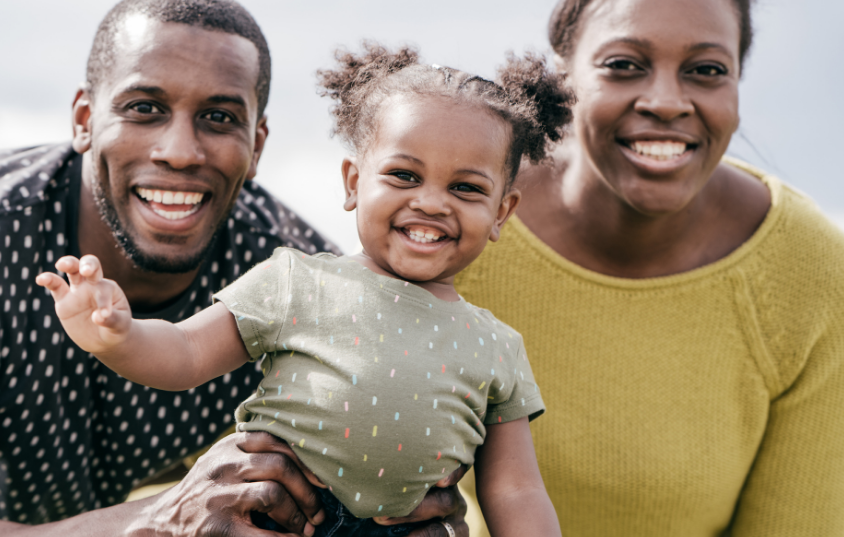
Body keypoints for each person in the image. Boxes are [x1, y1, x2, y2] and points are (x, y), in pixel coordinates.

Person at [0, 0, 467, 537]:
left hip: (77, 507)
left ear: (258, 143)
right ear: (85, 120)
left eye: (219, 117)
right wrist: (154, 522)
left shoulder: (305, 289)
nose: (180, 151)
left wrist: (390, 504)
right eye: (145, 108)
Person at [37, 43, 573, 537]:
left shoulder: (497, 346)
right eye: (405, 176)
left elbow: (515, 489)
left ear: (502, 211)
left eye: (466, 187)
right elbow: (184, 353)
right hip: (269, 516)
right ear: (353, 183)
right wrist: (116, 337)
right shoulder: (297, 283)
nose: (432, 203)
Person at [454, 0, 844, 536]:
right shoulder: (459, 224)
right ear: (564, 79)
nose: (666, 100)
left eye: (706, 70)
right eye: (624, 64)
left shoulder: (815, 273)